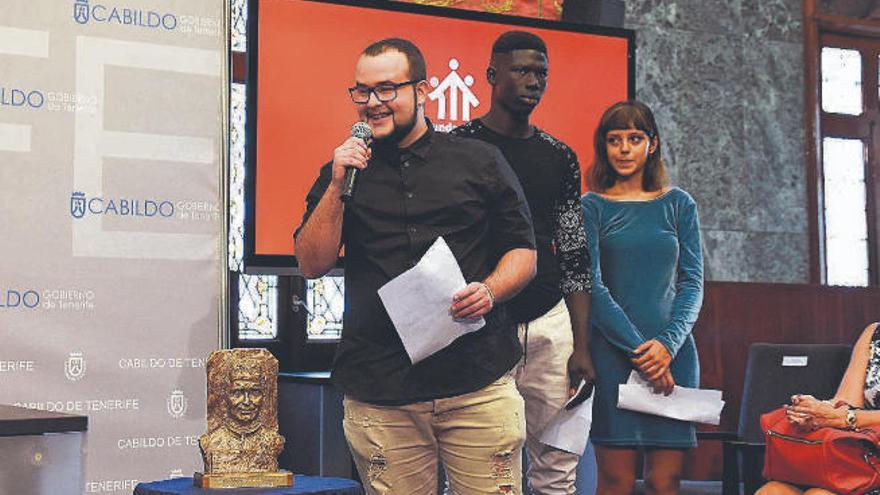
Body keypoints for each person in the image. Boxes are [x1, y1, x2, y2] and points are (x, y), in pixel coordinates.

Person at [294, 38, 538, 494]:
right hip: (381, 391)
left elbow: (523, 253)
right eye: (362, 92)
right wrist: (335, 185)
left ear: (422, 90)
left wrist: (489, 290)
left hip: (476, 383)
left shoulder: (479, 161)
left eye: (387, 90)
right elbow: (311, 263)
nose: (373, 103)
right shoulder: (345, 170)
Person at [450, 30, 593, 495]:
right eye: (523, 70)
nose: (534, 81)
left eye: (542, 74)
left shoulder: (559, 157)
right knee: (482, 469)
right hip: (479, 320)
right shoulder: (458, 147)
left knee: (558, 469)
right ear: (492, 75)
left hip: (551, 322)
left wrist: (582, 345)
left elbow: (573, 250)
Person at [580, 100, 704, 495]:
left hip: (675, 356)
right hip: (613, 357)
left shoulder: (678, 204)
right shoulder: (591, 207)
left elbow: (692, 283)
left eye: (635, 138)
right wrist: (642, 352)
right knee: (615, 482)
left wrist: (666, 346)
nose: (624, 148)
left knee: (664, 482)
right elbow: (593, 289)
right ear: (604, 147)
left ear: (652, 144)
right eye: (614, 140)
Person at [757, 321, 880, 495]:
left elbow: (845, 415)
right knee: (773, 491)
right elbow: (845, 402)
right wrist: (815, 412)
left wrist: (846, 418)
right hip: (862, 455)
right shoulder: (874, 333)